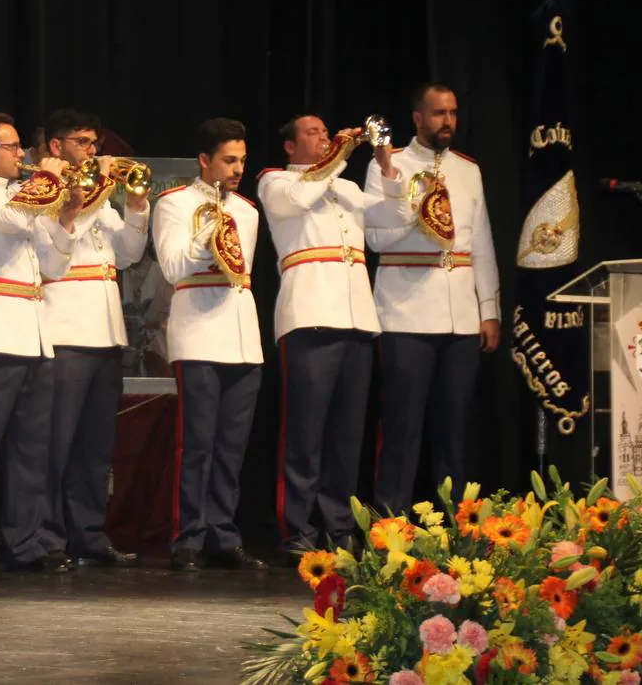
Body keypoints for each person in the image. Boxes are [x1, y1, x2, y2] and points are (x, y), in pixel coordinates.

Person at [258, 114, 408, 555]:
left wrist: (385, 165)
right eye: (313, 133)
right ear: (290, 146)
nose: (324, 138)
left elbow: (392, 221)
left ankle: (339, 526)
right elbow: (298, 200)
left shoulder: (347, 186)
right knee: (304, 431)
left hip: (357, 317)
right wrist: (339, 155)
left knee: (346, 433)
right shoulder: (276, 180)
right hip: (309, 313)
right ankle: (298, 528)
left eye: (327, 133)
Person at [0, 112, 87, 576]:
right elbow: (10, 218)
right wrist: (48, 177)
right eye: (13, 148)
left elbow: (54, 264)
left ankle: (23, 542)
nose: (22, 155)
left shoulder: (24, 198)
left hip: (33, 329)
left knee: (31, 447)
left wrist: (66, 217)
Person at [364, 82, 500, 514]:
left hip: (460, 316)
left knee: (454, 428)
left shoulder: (468, 169)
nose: (448, 122)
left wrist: (489, 309)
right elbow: (373, 235)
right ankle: (391, 523)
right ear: (418, 118)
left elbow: (481, 242)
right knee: (403, 427)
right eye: (439, 113)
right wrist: (417, 213)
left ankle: (456, 526)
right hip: (405, 314)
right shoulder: (388, 165)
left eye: (453, 113)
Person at [152, 117, 267, 572]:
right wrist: (209, 230)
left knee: (231, 446)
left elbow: (240, 275)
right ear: (204, 160)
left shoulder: (249, 211)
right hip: (198, 332)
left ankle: (223, 533)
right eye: (228, 159)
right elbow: (174, 268)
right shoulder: (175, 204)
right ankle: (188, 537)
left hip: (241, 336)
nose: (237, 168)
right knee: (196, 443)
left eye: (241, 159)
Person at [37, 109, 148, 567]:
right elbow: (52, 260)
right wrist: (84, 200)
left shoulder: (101, 199)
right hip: (65, 329)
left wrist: (138, 207)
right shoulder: (42, 192)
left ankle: (89, 534)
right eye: (81, 142)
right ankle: (46, 537)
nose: (92, 150)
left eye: (93, 142)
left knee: (95, 445)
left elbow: (129, 254)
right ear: (56, 147)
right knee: (55, 443)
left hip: (105, 332)